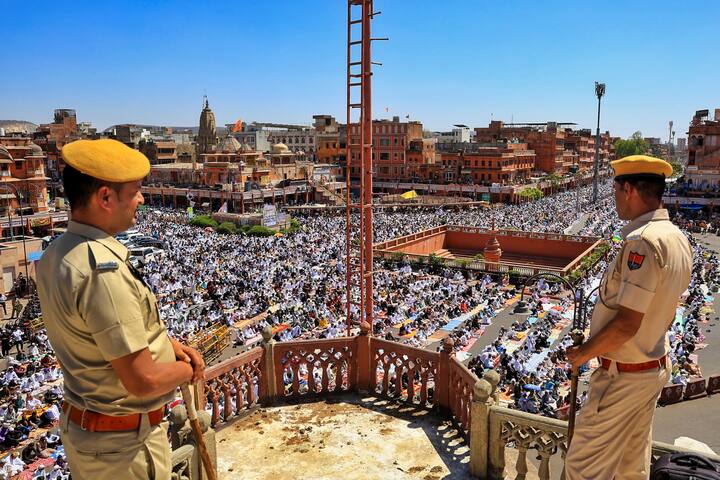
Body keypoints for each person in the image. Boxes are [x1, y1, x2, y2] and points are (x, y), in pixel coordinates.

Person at [35, 139, 205, 479]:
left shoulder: (59, 252)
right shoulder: (101, 272)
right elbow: (143, 380)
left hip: (96, 436)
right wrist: (192, 368)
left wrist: (168, 347)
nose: (141, 199)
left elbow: (99, 337)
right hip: (123, 447)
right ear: (105, 198)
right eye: (136, 191)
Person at [565, 155, 693, 479]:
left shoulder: (643, 242)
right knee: (630, 469)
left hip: (624, 376)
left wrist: (583, 353)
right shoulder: (676, 238)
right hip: (651, 368)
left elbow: (626, 323)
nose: (615, 198)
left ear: (629, 190)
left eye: (615, 190)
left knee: (582, 469)